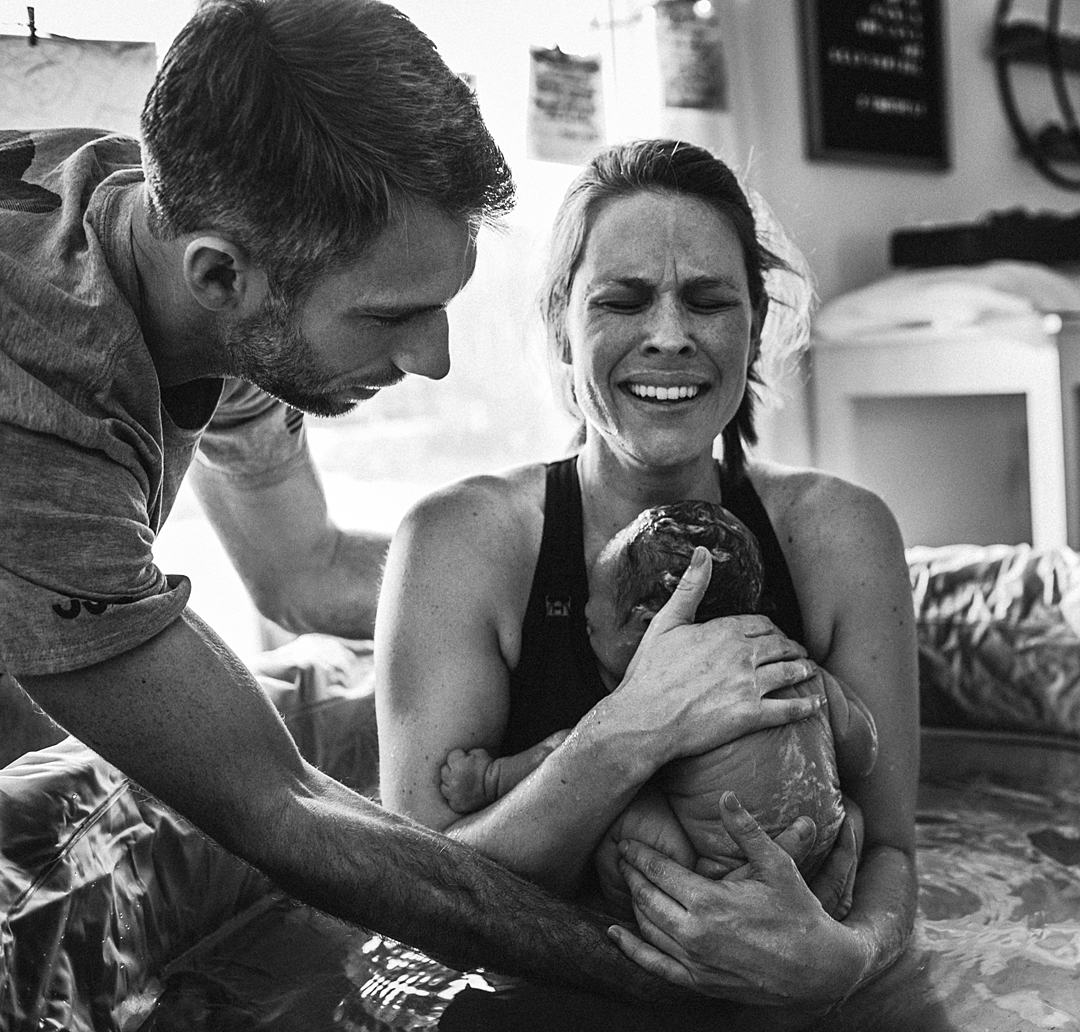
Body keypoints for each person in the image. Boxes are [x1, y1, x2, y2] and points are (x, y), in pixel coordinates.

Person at [0, 0, 818, 1003]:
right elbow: (283, 807)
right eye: (390, 317)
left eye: (442, 306)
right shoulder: (39, 402)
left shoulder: (171, 235)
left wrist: (531, 597)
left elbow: (301, 575)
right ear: (219, 275)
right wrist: (689, 976)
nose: (431, 360)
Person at [376, 138, 919, 1011]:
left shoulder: (841, 536)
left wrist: (846, 959)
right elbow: (410, 895)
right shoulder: (458, 544)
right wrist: (635, 727)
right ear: (561, 324)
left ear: (755, 327)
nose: (670, 336)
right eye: (622, 301)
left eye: (708, 301)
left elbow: (888, 846)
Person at [439, 499, 879, 916]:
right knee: (852, 816)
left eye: (597, 603)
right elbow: (863, 753)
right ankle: (830, 899)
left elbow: (560, 753)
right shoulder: (793, 664)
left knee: (615, 814)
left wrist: (489, 779)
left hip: (711, 880)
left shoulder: (670, 688)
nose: (586, 612)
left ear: (650, 626)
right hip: (809, 868)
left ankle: (633, 918)